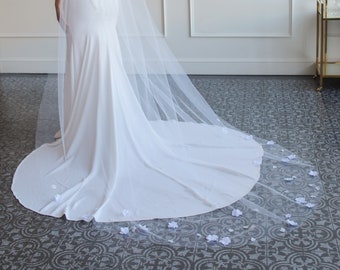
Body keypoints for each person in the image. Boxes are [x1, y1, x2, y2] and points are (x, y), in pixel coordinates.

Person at [12, 0, 321, 245]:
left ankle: (95, 127)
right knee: (99, 58)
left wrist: (59, 3)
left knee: (89, 58)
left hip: (85, 5)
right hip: (101, 6)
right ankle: (93, 122)